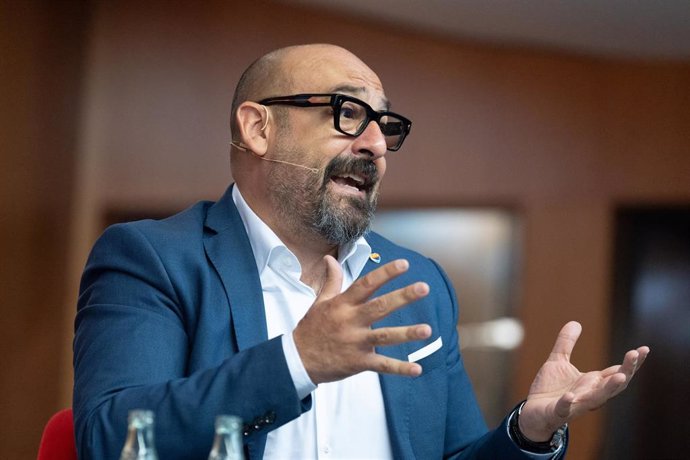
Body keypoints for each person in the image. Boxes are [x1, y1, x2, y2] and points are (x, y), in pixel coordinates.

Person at [72, 44, 649, 460]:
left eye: (385, 127)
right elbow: (110, 436)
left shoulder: (417, 282)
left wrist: (527, 431)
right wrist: (297, 361)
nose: (376, 145)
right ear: (258, 128)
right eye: (349, 115)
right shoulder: (152, 259)